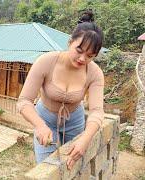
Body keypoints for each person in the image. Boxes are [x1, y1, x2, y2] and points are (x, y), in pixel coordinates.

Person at [17, 10, 104, 170]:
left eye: (90, 56)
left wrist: (85, 139)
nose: (83, 59)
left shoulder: (95, 72)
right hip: (45, 119)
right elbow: (24, 101)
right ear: (70, 42)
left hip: (75, 120)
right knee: (47, 168)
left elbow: (97, 111)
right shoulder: (46, 62)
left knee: (73, 167)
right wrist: (39, 125)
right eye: (79, 50)